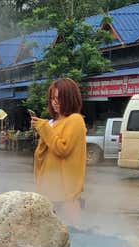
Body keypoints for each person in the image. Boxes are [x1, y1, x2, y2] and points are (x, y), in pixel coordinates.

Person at [31, 78, 87, 221]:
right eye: (52, 98)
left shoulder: (75, 120)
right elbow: (42, 155)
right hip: (49, 189)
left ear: (69, 98)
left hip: (65, 193)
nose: (54, 102)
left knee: (72, 233)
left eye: (58, 98)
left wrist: (44, 128)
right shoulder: (52, 122)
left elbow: (62, 149)